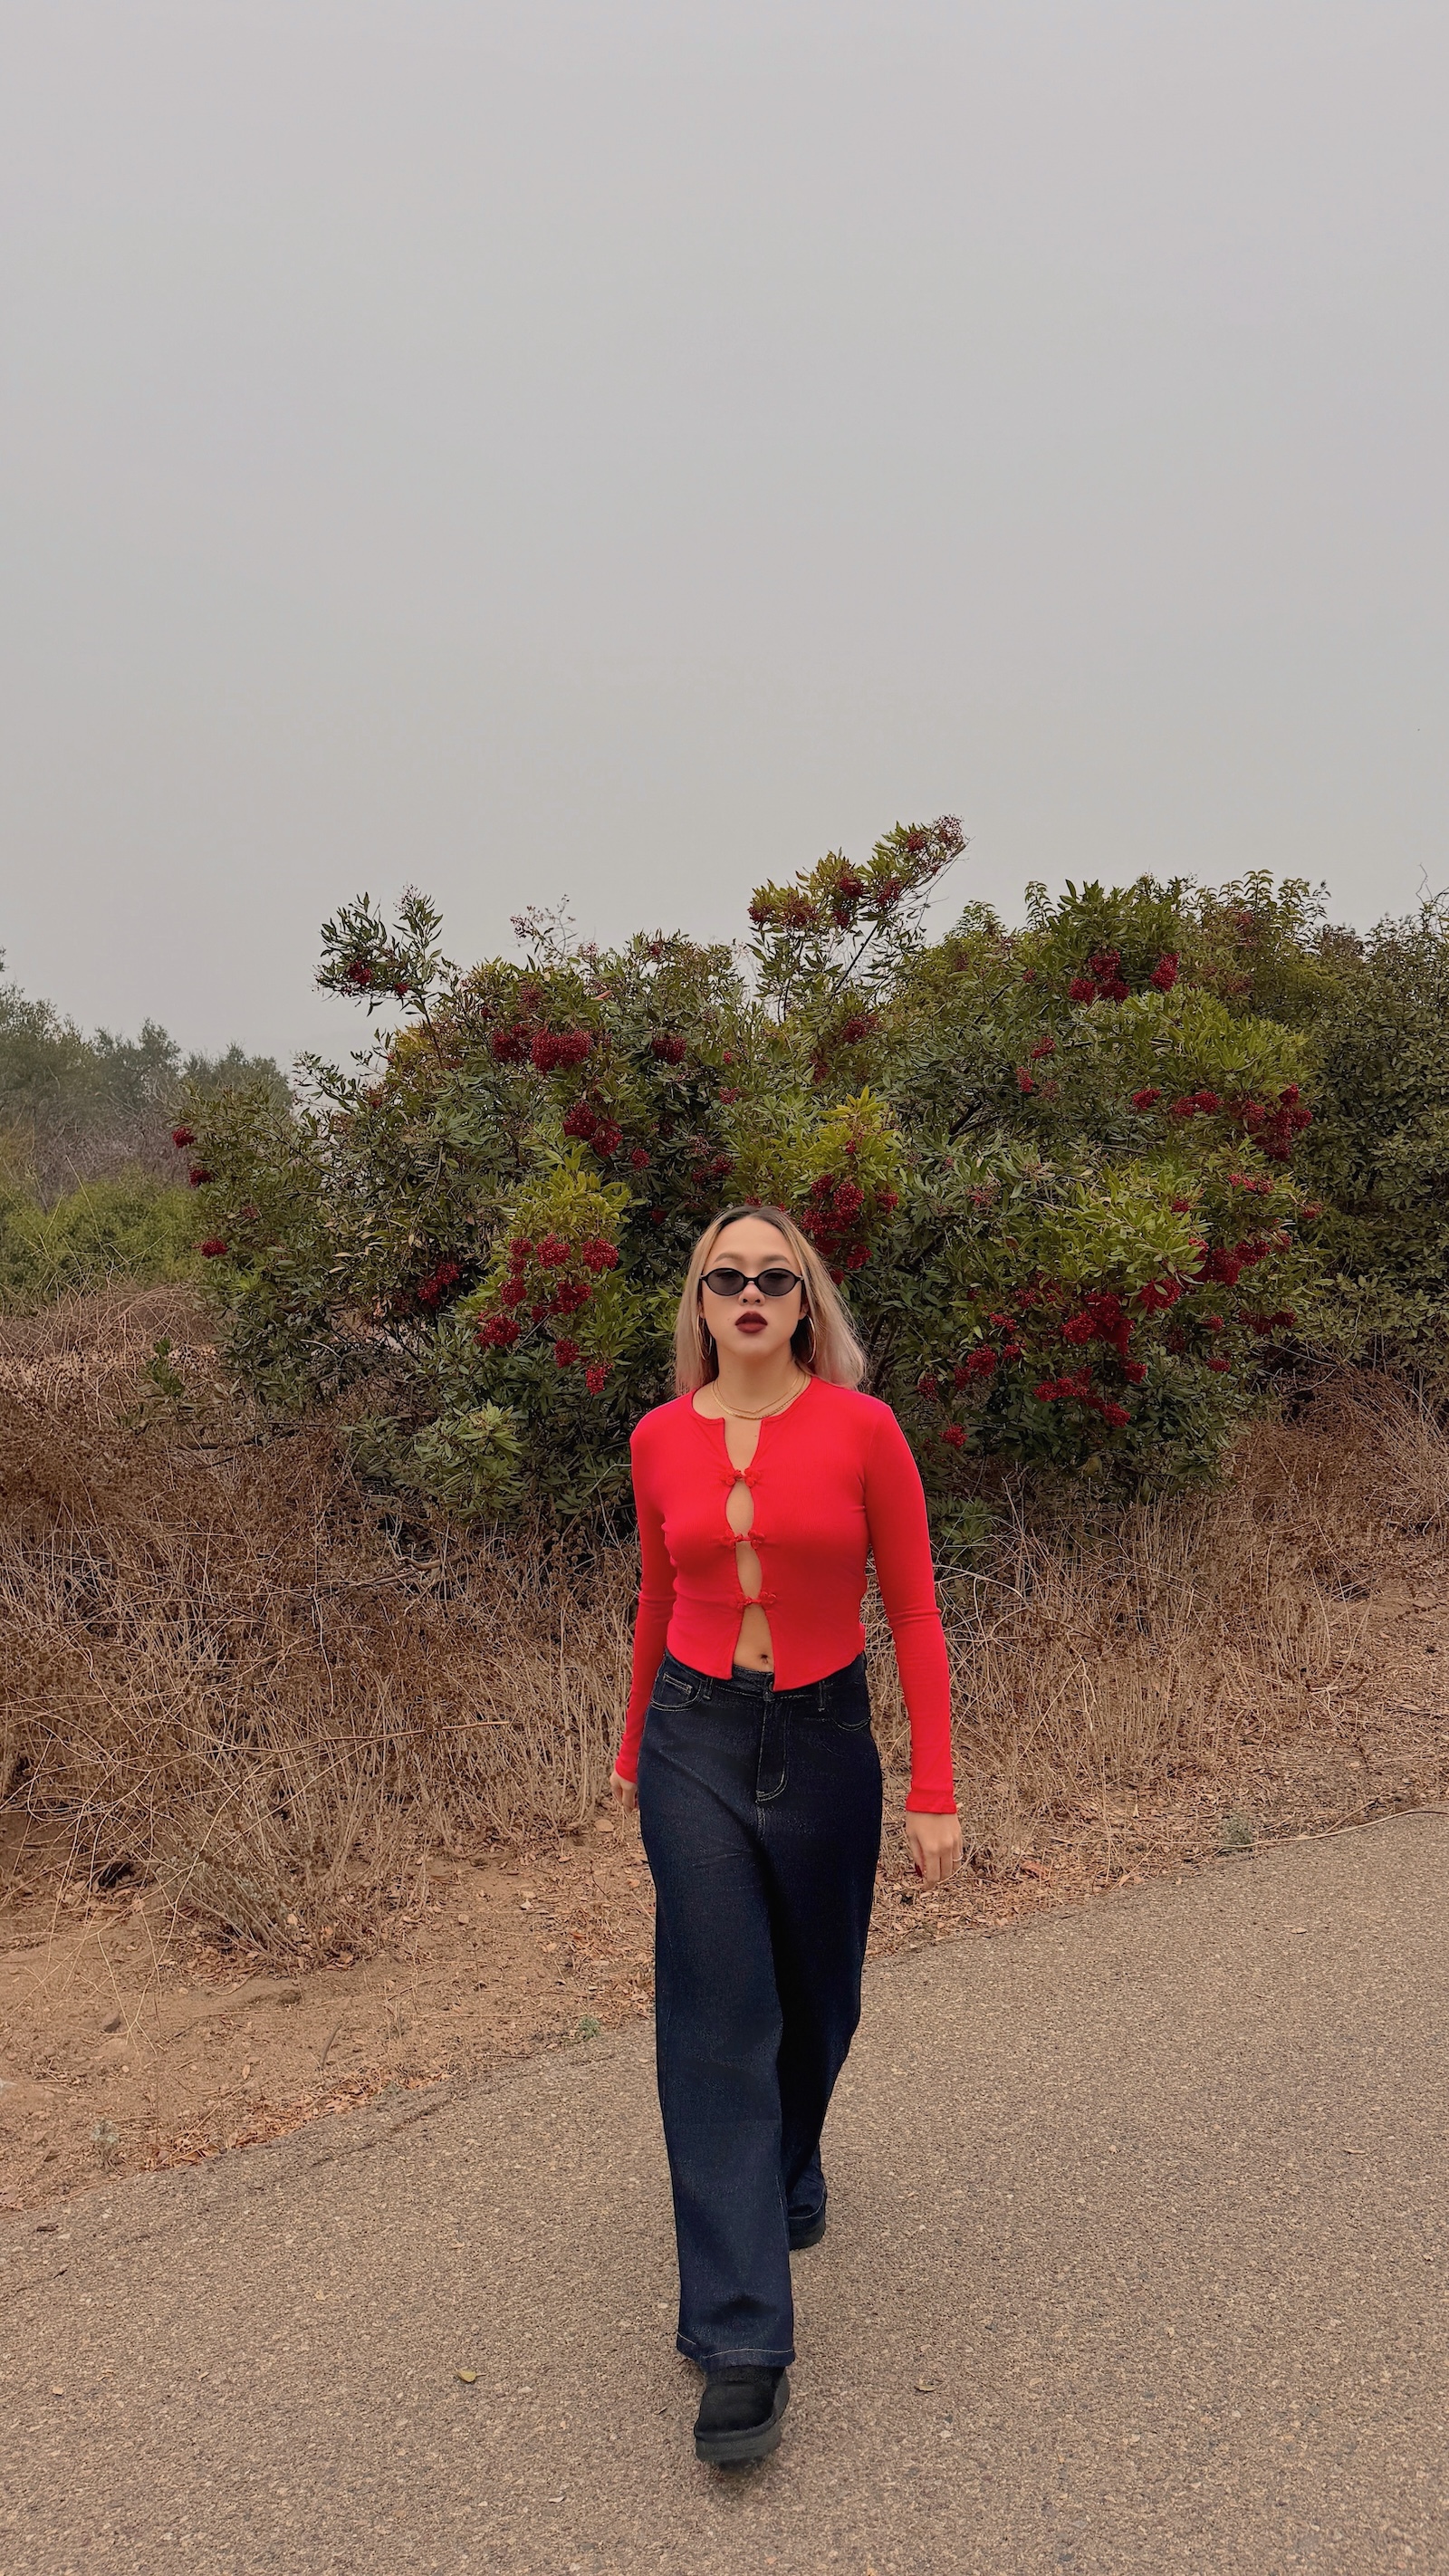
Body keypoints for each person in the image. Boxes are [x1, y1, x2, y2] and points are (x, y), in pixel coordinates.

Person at [610, 1202, 962, 2466]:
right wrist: (631, 1748)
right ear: (701, 1306)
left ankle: (787, 2159)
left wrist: (935, 1786)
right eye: (726, 1278)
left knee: (822, 2002)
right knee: (716, 2023)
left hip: (824, 1742)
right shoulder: (658, 1439)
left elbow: (914, 1612)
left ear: (806, 1301)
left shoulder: (865, 1430)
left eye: (774, 1276)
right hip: (692, 1742)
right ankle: (740, 2339)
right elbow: (657, 1596)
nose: (750, 1294)